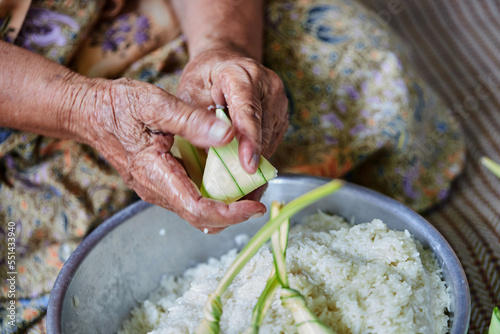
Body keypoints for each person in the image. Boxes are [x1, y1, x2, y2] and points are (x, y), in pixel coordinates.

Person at [0, 0, 464, 332]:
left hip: (137, 23)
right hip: (22, 96)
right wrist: (82, 106)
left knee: (361, 61)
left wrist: (222, 47)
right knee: (20, 250)